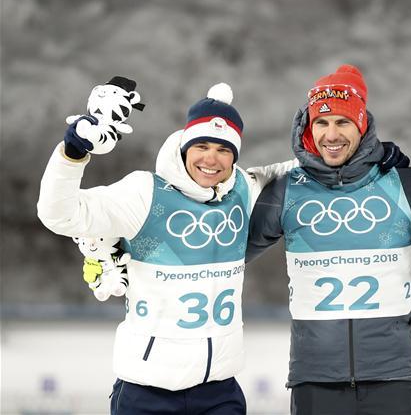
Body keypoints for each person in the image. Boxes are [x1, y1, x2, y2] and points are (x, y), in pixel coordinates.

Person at [37, 81, 277, 414]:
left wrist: (370, 155)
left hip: (219, 391)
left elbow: (301, 171)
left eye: (223, 149)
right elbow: (59, 215)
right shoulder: (144, 192)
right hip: (147, 391)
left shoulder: (244, 189)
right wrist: (74, 152)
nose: (211, 158)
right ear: (184, 146)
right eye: (202, 145)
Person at [245, 64, 411, 415]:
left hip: (392, 378)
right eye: (322, 123)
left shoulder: (402, 183)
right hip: (315, 380)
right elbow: (224, 253)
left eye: (342, 122)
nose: (331, 134)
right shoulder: (286, 191)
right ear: (309, 129)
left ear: (362, 125)